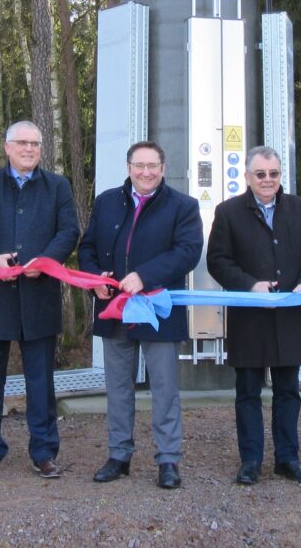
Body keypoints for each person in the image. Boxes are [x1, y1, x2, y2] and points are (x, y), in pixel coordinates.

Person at [78, 141, 202, 490]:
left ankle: (168, 460)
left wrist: (145, 275)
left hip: (158, 310)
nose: (145, 172)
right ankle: (119, 455)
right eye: (139, 165)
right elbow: (87, 247)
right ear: (129, 166)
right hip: (114, 308)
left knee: (164, 387)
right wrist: (95, 279)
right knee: (118, 387)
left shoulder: (183, 206)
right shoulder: (105, 202)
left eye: (152, 165)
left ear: (163, 168)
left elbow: (188, 252)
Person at [207, 146, 301, 486]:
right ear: (247, 177)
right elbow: (217, 260)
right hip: (249, 318)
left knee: (288, 391)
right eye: (260, 174)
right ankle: (251, 461)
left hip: (290, 316)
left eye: (273, 173)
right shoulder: (228, 212)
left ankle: (288, 459)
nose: (267, 180)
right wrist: (249, 286)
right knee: (247, 391)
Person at [0, 121, 80, 478]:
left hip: (39, 296)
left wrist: (46, 260)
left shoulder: (58, 186)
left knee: (40, 381)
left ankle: (44, 450)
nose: (29, 149)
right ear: (7, 147)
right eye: (22, 143)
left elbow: (69, 231)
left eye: (35, 143)